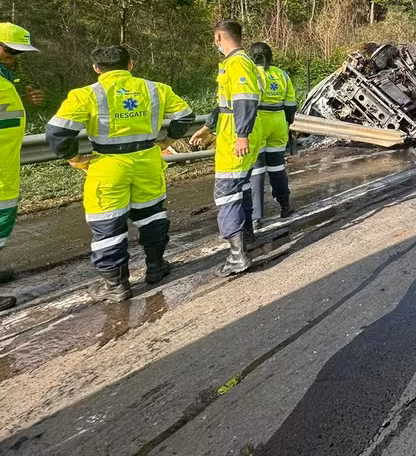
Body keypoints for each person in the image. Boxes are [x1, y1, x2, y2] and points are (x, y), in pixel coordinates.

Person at [45, 46, 194, 302]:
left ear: (96, 68)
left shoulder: (87, 95)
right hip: (147, 161)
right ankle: (156, 267)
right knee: (152, 216)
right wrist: (166, 141)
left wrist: (76, 159)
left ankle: (117, 285)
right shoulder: (155, 89)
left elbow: (57, 133)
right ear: (131, 64)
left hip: (107, 166)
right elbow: (185, 116)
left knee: (108, 225)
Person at [190, 19, 263, 277]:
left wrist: (241, 134)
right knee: (240, 190)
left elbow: (245, 100)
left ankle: (237, 255)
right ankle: (247, 240)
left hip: (236, 139)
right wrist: (208, 128)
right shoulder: (233, 64)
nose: (214, 44)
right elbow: (225, 104)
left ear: (220, 37)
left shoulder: (238, 63)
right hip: (232, 135)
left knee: (227, 194)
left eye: (215, 39)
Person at [0, 23, 43, 311]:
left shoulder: (6, 78)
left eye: (19, 52)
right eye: (10, 50)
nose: (15, 56)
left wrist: (27, 101)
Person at [248, 42, 296, 228]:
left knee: (257, 169)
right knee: (277, 167)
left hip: (258, 121)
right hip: (278, 122)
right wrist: (287, 124)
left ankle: (256, 216)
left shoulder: (250, 73)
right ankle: (285, 206)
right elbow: (291, 105)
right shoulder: (282, 74)